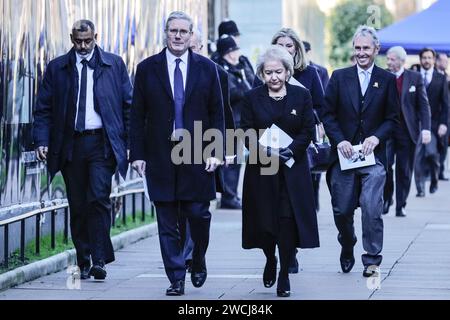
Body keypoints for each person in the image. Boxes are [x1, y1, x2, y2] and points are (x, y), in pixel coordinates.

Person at [129, 12, 225, 296]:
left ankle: (197, 258)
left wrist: (215, 150)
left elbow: (217, 113)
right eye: (173, 31)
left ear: (191, 34)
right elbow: (137, 115)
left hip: (197, 152)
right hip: (161, 153)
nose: (178, 36)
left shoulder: (208, 69)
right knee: (167, 219)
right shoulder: (147, 68)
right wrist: (137, 154)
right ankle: (176, 277)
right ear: (166, 33)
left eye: (184, 31)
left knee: (198, 214)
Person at [33, 20, 132, 280]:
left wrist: (130, 144)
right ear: (71, 38)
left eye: (88, 41)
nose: (83, 46)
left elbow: (128, 106)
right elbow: (43, 108)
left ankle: (99, 259)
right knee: (78, 203)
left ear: (95, 37)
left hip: (102, 143)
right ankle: (83, 257)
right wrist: (42, 140)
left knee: (98, 197)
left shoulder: (114, 64)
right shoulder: (57, 68)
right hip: (70, 145)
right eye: (78, 41)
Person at [240, 45, 319, 297]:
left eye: (278, 72)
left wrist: (291, 151)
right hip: (262, 171)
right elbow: (246, 132)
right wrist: (266, 153)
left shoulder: (301, 95)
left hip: (292, 170)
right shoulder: (251, 98)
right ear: (262, 74)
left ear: (287, 72)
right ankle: (269, 258)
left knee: (286, 223)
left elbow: (308, 129)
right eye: (268, 72)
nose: (273, 77)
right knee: (265, 224)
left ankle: (284, 272)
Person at [321, 26, 399, 277]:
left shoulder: (386, 80)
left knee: (371, 206)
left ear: (376, 49)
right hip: (344, 157)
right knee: (342, 210)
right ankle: (347, 243)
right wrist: (339, 140)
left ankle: (372, 259)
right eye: (357, 48)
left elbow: (393, 118)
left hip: (373, 158)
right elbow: (327, 114)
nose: (361, 53)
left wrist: (377, 137)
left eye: (366, 48)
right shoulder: (339, 77)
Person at [180, 28, 236, 272]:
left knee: (199, 209)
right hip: (174, 147)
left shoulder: (216, 73)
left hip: (204, 148)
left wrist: (227, 146)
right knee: (178, 208)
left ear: (201, 48)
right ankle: (182, 256)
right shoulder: (167, 71)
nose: (188, 53)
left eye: (193, 48)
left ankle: (196, 254)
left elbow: (224, 113)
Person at [383, 46, 431, 217]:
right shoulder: (383, 76)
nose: (389, 62)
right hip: (386, 131)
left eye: (392, 59)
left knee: (404, 170)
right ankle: (387, 198)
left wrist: (426, 128)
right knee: (385, 167)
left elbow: (423, 106)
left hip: (407, 131)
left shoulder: (414, 78)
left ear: (402, 61)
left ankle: (400, 205)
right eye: (388, 59)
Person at [215, 35, 252, 209]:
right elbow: (235, 93)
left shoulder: (241, 66)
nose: (238, 52)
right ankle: (228, 197)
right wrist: (241, 80)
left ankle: (232, 195)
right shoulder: (222, 69)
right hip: (230, 121)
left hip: (240, 120)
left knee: (236, 161)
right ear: (228, 53)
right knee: (230, 161)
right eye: (235, 49)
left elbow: (253, 85)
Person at [414, 48, 449, 196]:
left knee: (432, 154)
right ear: (420, 59)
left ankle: (434, 178)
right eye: (424, 58)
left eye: (429, 58)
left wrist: (444, 124)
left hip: (434, 125)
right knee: (418, 158)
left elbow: (446, 104)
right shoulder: (414, 76)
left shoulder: (441, 79)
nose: (427, 60)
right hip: (415, 125)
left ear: (434, 60)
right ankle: (420, 188)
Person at [211, 19, 255, 87]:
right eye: (235, 36)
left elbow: (254, 81)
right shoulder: (216, 61)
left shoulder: (242, 59)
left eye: (238, 36)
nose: (237, 40)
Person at [435, 52, 450, 181]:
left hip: (445, 118)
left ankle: (440, 172)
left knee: (443, 146)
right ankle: (430, 171)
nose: (446, 63)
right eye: (444, 61)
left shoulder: (447, 78)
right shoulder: (431, 77)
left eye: (447, 61)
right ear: (437, 62)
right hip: (433, 118)